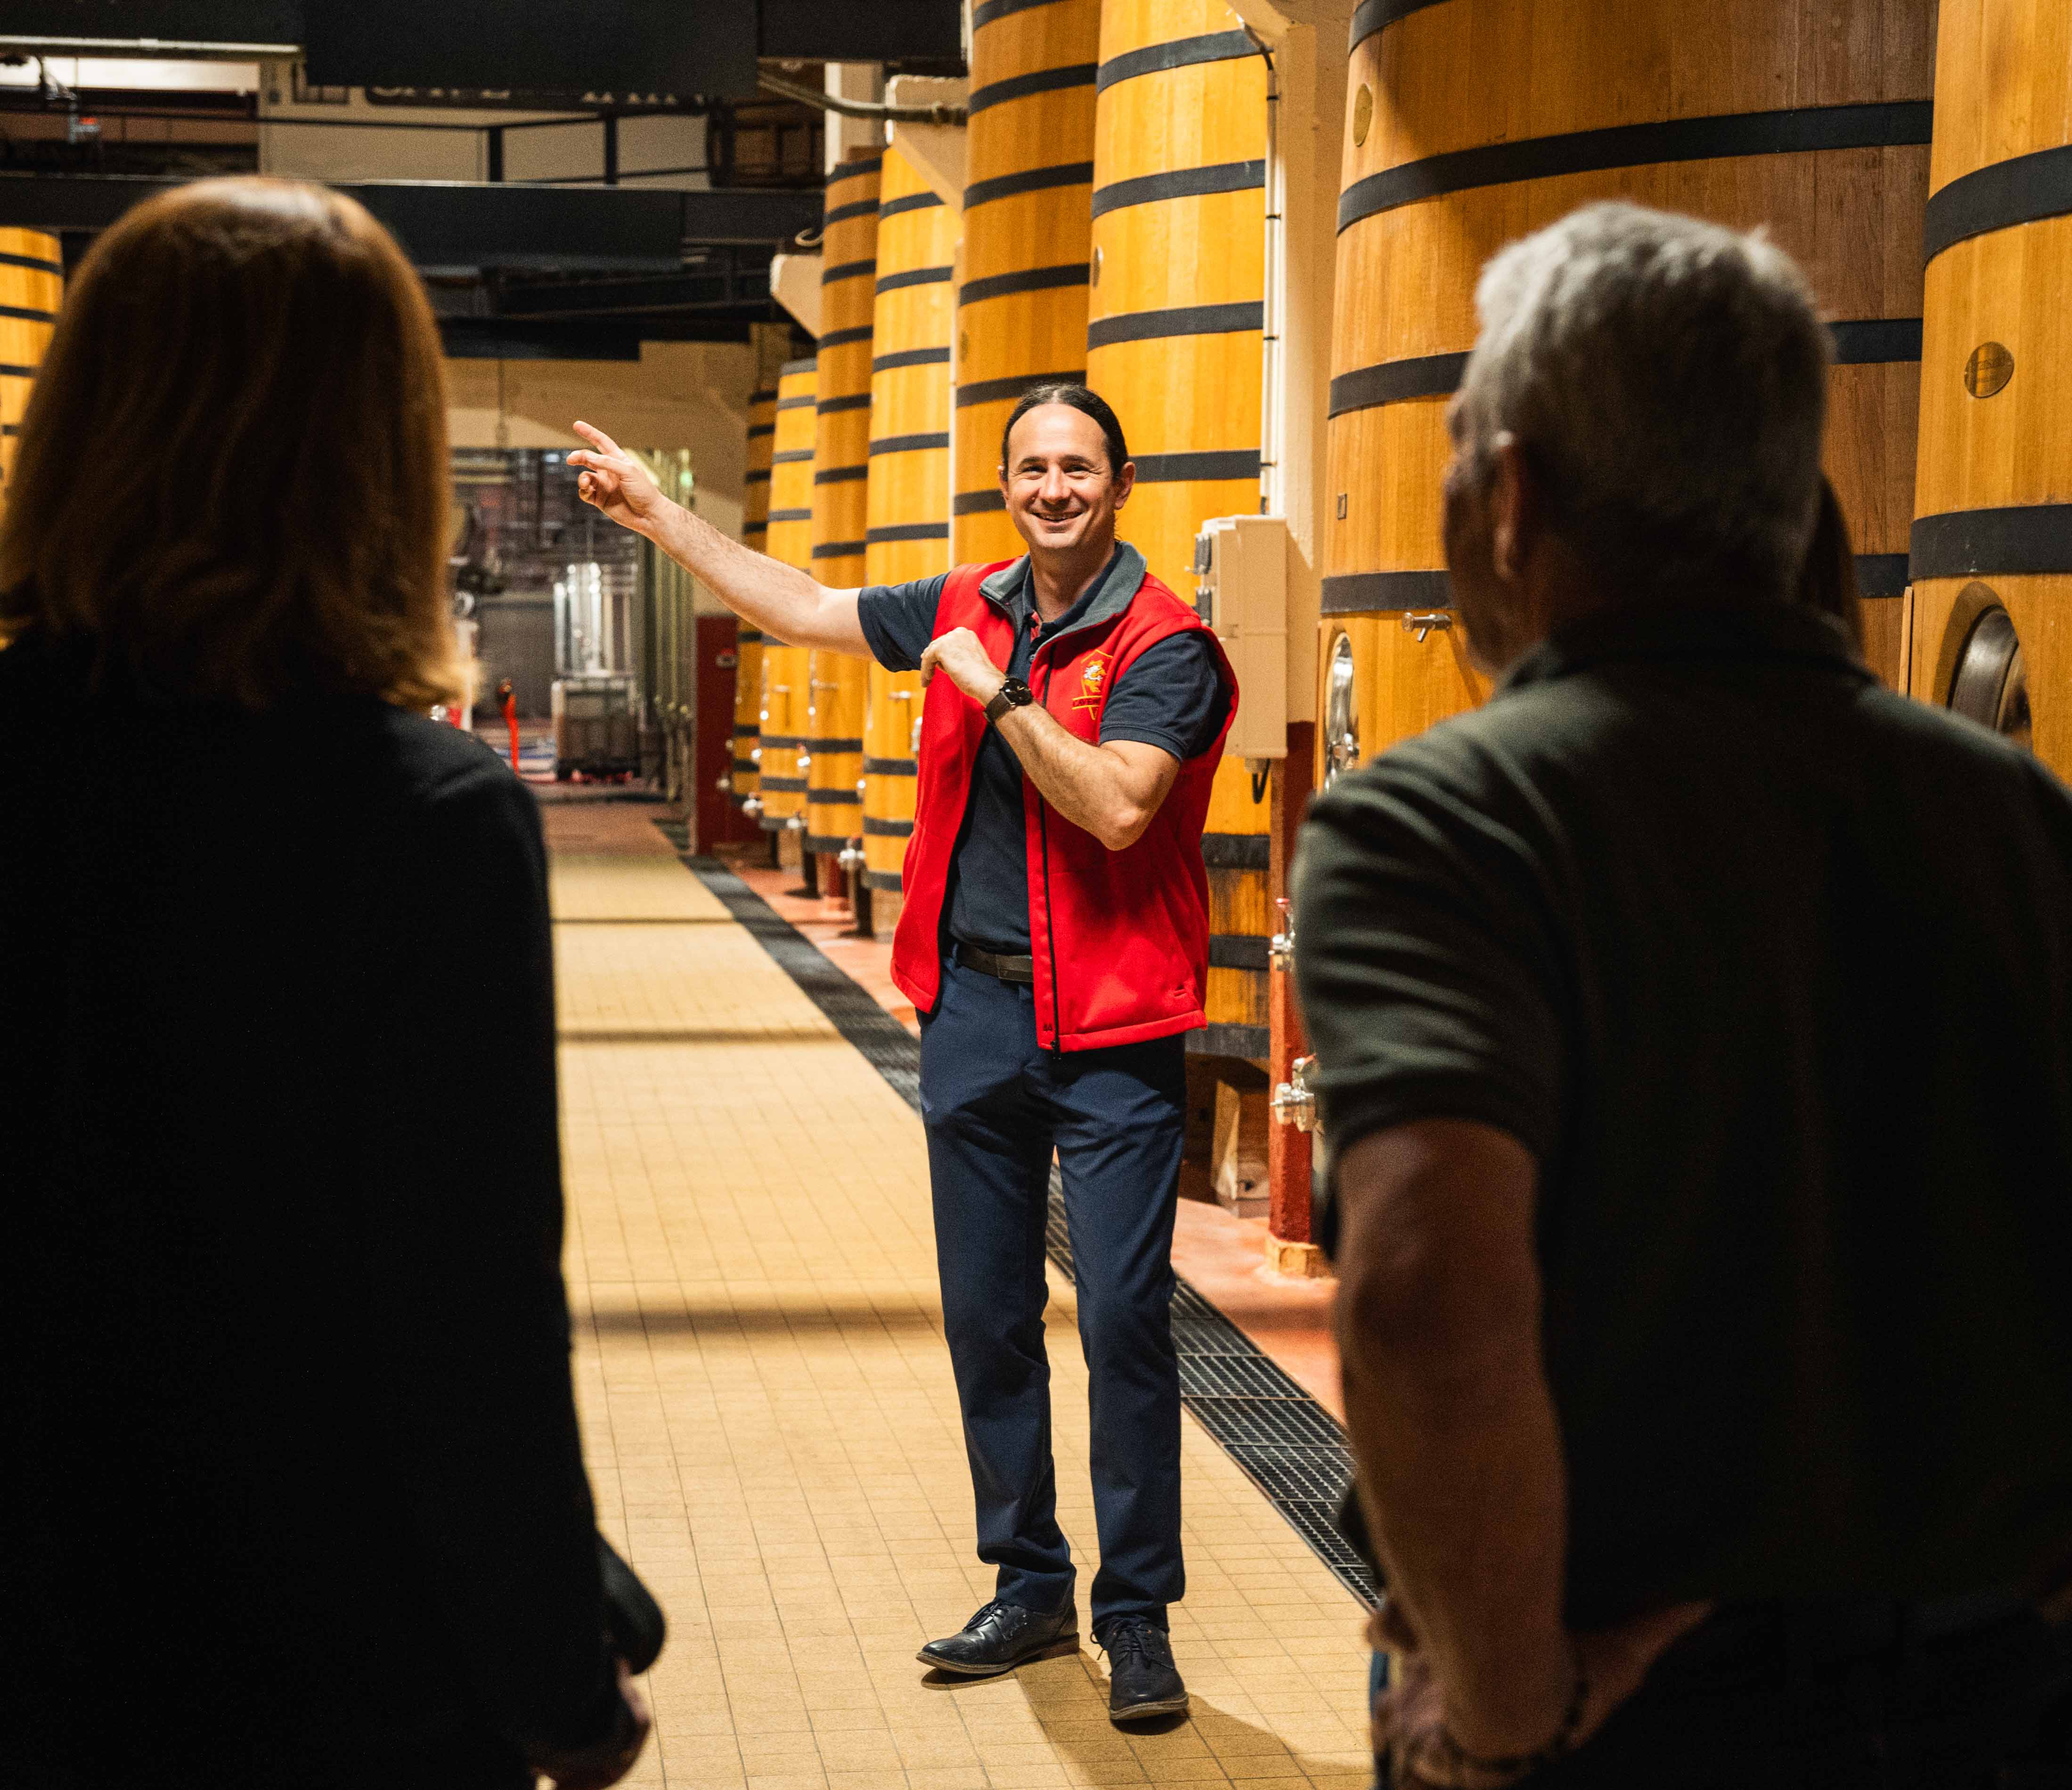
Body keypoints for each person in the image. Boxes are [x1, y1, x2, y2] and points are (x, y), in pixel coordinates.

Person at [1286, 201, 2072, 1789]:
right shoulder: (2038, 829)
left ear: (1513, 495)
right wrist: (1995, 1599)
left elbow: (1430, 1304)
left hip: (1632, 1723)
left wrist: (1507, 1709)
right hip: (1999, 1715)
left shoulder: (1446, 827)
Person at [0, 178, 651, 1789]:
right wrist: (565, 1680)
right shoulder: (419, 823)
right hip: (329, 1679)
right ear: (375, 458)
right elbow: (467, 1325)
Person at [568, 382, 1232, 1723]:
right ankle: (1032, 1578)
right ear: (1007, 482)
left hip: (1113, 1026)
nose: (1055, 488)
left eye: (1079, 468)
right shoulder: (962, 603)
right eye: (1033, 467)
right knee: (989, 1317)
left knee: (1120, 1320)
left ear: (1120, 483)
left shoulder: (1172, 645)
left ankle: (1138, 1608)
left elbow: (1115, 808)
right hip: (976, 1012)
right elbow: (805, 605)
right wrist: (661, 516)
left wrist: (997, 700)